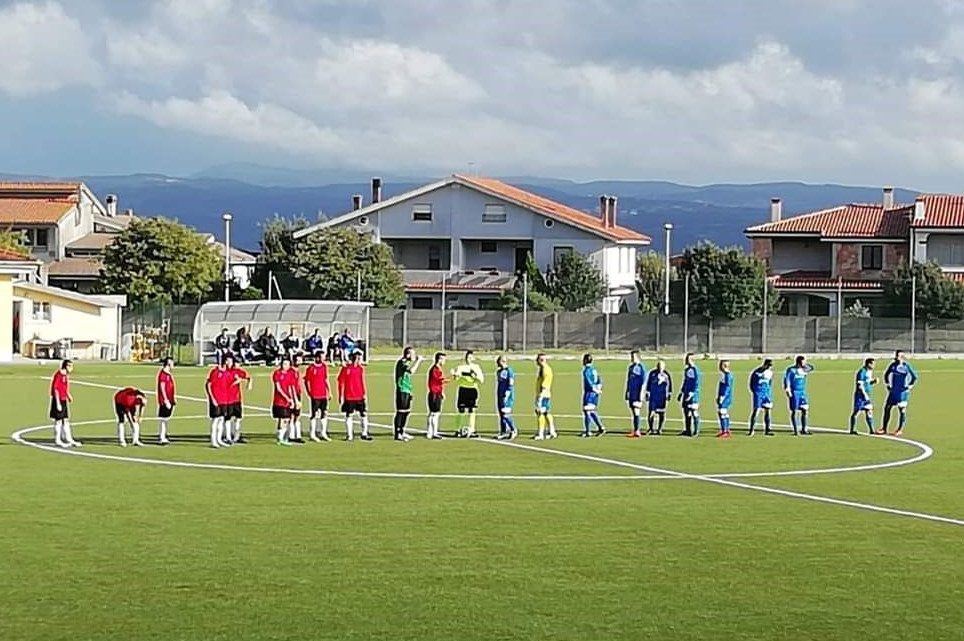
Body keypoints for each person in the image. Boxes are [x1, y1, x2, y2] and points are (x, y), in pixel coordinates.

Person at [881, 350, 919, 437]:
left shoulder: (906, 366)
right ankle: (884, 428)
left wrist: (910, 386)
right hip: (893, 392)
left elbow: (915, 377)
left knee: (902, 411)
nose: (897, 357)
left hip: (902, 393)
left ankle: (899, 430)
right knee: (887, 408)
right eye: (896, 355)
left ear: (902, 357)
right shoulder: (893, 365)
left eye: (898, 356)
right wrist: (887, 384)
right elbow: (886, 374)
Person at [337, 350, 372, 441]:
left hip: (359, 396)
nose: (360, 360)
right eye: (359, 358)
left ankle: (364, 433)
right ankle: (349, 435)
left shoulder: (360, 369)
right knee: (349, 415)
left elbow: (361, 382)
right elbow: (341, 382)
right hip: (349, 396)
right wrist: (341, 395)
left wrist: (364, 394)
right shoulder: (346, 369)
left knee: (363, 414)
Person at [393, 346, 424, 441]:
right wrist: (418, 361)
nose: (414, 356)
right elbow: (411, 371)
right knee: (401, 412)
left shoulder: (407, 362)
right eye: (413, 354)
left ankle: (402, 431)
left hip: (407, 390)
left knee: (406, 412)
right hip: (402, 390)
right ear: (408, 354)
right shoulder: (402, 362)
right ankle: (397, 433)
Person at [453, 350, 484, 438]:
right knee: (461, 410)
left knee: (472, 410)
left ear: (473, 358)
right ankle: (457, 429)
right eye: (467, 357)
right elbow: (456, 379)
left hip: (472, 390)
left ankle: (472, 429)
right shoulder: (460, 367)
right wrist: (455, 375)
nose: (468, 359)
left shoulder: (476, 367)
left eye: (470, 357)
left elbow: (481, 380)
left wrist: (475, 377)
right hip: (463, 389)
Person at [49, 359, 80, 448]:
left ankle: (68, 438)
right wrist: (58, 403)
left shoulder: (66, 375)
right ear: (66, 366)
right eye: (70, 366)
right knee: (58, 420)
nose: (72, 368)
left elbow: (64, 387)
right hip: (57, 400)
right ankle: (57, 440)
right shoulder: (58, 375)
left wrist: (68, 395)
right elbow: (56, 389)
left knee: (65, 420)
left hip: (63, 399)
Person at [783, 355, 815, 436]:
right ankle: (795, 430)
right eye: (803, 361)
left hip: (802, 392)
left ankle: (804, 429)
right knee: (794, 411)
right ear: (798, 362)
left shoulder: (804, 369)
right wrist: (787, 389)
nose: (805, 363)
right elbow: (787, 380)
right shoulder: (791, 370)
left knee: (805, 410)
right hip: (794, 392)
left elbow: (812, 368)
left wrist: (805, 364)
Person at [205, 359, 234, 448]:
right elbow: (208, 385)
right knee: (215, 420)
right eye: (229, 361)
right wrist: (212, 398)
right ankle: (213, 440)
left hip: (224, 400)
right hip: (216, 400)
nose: (231, 363)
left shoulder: (227, 373)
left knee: (221, 419)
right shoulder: (215, 372)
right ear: (225, 362)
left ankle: (219, 439)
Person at [224, 354, 252, 444]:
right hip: (228, 399)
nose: (229, 363)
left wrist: (249, 384)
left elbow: (248, 377)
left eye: (231, 361)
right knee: (228, 418)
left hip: (237, 399)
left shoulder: (236, 371)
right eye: (227, 361)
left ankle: (237, 436)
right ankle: (228, 437)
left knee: (238, 418)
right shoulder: (225, 372)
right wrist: (236, 381)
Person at [305, 350, 331, 442]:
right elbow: (307, 381)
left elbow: (326, 379)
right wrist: (309, 392)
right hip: (315, 395)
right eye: (322, 357)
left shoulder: (324, 367)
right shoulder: (311, 368)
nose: (323, 358)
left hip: (323, 394)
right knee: (314, 414)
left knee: (324, 413)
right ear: (317, 357)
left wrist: (329, 391)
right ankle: (312, 434)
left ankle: (323, 433)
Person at [271, 357, 298, 446]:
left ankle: (282, 437)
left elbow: (292, 387)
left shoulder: (291, 374)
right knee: (282, 419)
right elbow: (278, 388)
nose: (285, 366)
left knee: (287, 418)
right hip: (279, 401)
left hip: (288, 400)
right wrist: (287, 398)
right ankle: (280, 438)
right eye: (283, 364)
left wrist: (294, 400)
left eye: (287, 364)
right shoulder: (277, 373)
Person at [850, 357, 877, 435]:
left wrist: (873, 381)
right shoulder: (862, 372)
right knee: (856, 412)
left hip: (867, 395)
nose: (874, 366)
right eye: (873, 364)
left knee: (869, 411)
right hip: (860, 396)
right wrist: (865, 396)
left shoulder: (869, 371)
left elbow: (867, 382)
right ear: (869, 364)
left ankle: (871, 430)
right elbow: (860, 386)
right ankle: (852, 429)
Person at [644, 360, 672, 436]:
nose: (660, 368)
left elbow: (670, 385)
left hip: (662, 397)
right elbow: (648, 383)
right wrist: (647, 392)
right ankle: (651, 428)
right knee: (651, 413)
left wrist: (669, 393)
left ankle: (660, 428)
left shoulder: (666, 374)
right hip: (653, 396)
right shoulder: (652, 373)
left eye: (661, 367)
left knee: (661, 413)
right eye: (659, 366)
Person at [748, 358, 775, 437]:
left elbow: (770, 382)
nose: (769, 367)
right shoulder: (757, 372)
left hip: (766, 393)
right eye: (769, 365)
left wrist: (768, 391)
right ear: (765, 364)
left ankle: (767, 429)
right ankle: (751, 430)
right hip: (758, 393)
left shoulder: (770, 373)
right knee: (756, 411)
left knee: (768, 411)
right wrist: (755, 391)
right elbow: (751, 382)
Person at [533, 353, 557, 440]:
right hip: (546, 394)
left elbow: (544, 384)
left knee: (540, 413)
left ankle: (540, 433)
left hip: (543, 394)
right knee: (547, 412)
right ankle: (552, 431)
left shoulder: (545, 370)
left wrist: (540, 397)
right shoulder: (544, 368)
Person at [581, 353, 605, 437]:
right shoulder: (594, 370)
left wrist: (594, 389)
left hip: (589, 393)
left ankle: (588, 431)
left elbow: (588, 382)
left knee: (587, 411)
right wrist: (599, 388)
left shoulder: (586, 371)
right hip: (595, 393)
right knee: (592, 411)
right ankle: (600, 427)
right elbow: (599, 379)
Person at [679, 353, 702, 437]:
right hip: (686, 394)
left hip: (693, 395)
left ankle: (696, 431)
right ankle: (688, 430)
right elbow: (685, 382)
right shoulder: (686, 370)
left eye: (689, 359)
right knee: (686, 412)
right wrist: (681, 392)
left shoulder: (696, 370)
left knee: (694, 411)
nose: (687, 361)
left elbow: (697, 382)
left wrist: (692, 393)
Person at [425, 352, 447, 439]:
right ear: (439, 359)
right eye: (444, 359)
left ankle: (430, 432)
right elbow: (441, 381)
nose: (445, 361)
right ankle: (434, 432)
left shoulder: (436, 369)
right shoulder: (435, 370)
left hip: (435, 393)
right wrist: (453, 376)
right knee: (435, 414)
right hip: (434, 394)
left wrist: (442, 392)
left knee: (432, 413)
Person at [625, 351, 647, 438]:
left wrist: (641, 394)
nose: (631, 358)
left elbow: (643, 382)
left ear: (638, 357)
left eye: (633, 357)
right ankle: (635, 429)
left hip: (637, 393)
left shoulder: (640, 367)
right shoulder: (631, 367)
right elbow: (629, 380)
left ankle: (637, 430)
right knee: (634, 412)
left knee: (636, 411)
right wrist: (627, 391)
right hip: (632, 393)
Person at [495, 355, 517, 440]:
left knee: (505, 414)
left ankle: (513, 429)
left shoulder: (509, 371)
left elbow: (511, 383)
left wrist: (507, 394)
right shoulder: (499, 371)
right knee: (501, 414)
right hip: (499, 395)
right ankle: (503, 431)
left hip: (507, 396)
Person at [156, 357, 176, 445]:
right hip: (165, 400)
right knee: (163, 419)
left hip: (170, 399)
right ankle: (161, 437)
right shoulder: (163, 374)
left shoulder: (168, 374)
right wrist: (165, 399)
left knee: (166, 419)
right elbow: (162, 387)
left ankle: (164, 435)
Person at [287, 355, 306, 443]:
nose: (300, 361)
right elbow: (291, 386)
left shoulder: (297, 371)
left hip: (298, 394)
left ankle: (297, 435)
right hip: (293, 395)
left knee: (297, 415)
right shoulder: (291, 372)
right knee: (292, 415)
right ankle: (291, 435)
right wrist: (295, 399)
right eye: (299, 360)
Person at [716, 360, 734, 439]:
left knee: (722, 412)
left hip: (725, 397)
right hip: (724, 396)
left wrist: (722, 396)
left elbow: (727, 387)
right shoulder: (725, 374)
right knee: (723, 413)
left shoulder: (727, 375)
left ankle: (725, 431)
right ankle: (726, 430)